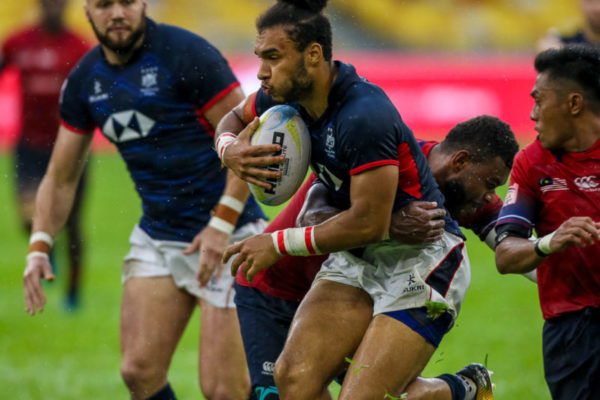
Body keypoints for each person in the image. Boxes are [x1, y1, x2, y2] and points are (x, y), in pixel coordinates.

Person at [217, 1, 498, 398]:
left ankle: (459, 389)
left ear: (313, 55)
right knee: (294, 379)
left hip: (421, 260)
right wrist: (229, 150)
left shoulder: (363, 114)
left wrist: (277, 244)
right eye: (260, 57)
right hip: (357, 255)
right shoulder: (282, 96)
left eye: (273, 57)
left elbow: (369, 222)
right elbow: (232, 119)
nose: (262, 70)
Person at [22, 0, 266, 399]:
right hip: (159, 233)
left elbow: (247, 139)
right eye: (104, 4)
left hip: (231, 233)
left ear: (143, 5)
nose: (116, 13)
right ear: (86, 10)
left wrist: (221, 225)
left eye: (127, 2)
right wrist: (39, 245)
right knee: (139, 371)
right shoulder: (84, 80)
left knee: (223, 389)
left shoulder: (188, 53)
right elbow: (61, 177)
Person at [231, 115, 523, 399]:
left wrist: (552, 251)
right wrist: (386, 224)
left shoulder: (463, 188)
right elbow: (310, 219)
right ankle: (460, 389)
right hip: (270, 289)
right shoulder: (377, 160)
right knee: (294, 388)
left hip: (342, 291)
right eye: (491, 184)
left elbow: (514, 243)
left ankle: (460, 388)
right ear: (460, 161)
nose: (489, 196)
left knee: (372, 391)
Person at [495, 44, 600, 400]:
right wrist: (549, 241)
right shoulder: (531, 163)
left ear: (574, 104)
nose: (532, 114)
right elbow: (505, 255)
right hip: (572, 332)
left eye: (539, 101)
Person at [1, 0, 90, 309]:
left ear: (65, 7)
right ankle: (44, 241)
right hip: (29, 144)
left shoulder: (79, 46)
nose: (53, 8)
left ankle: (73, 293)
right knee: (28, 214)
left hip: (70, 145)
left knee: (73, 221)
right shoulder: (17, 42)